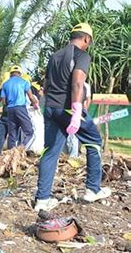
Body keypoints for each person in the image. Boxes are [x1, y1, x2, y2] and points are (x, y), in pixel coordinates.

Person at [35, 23, 110, 212]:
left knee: (50, 151)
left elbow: (46, 84)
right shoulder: (82, 55)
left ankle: (42, 200)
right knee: (93, 140)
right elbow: (78, 83)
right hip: (67, 109)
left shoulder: (55, 56)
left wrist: (48, 106)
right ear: (86, 39)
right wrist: (77, 112)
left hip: (50, 107)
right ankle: (93, 189)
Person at [0, 66, 39, 150]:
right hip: (21, 108)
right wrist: (35, 105)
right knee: (30, 133)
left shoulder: (5, 84)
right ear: (20, 74)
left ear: (10, 74)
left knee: (12, 134)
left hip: (9, 109)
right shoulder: (24, 82)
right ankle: (21, 149)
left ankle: (11, 153)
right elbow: (31, 96)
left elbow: (3, 101)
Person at [66, 81, 92, 158]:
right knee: (71, 135)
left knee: (73, 134)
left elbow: (88, 99)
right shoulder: (70, 83)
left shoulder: (86, 86)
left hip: (78, 111)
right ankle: (71, 154)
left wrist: (84, 110)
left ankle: (73, 155)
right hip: (71, 110)